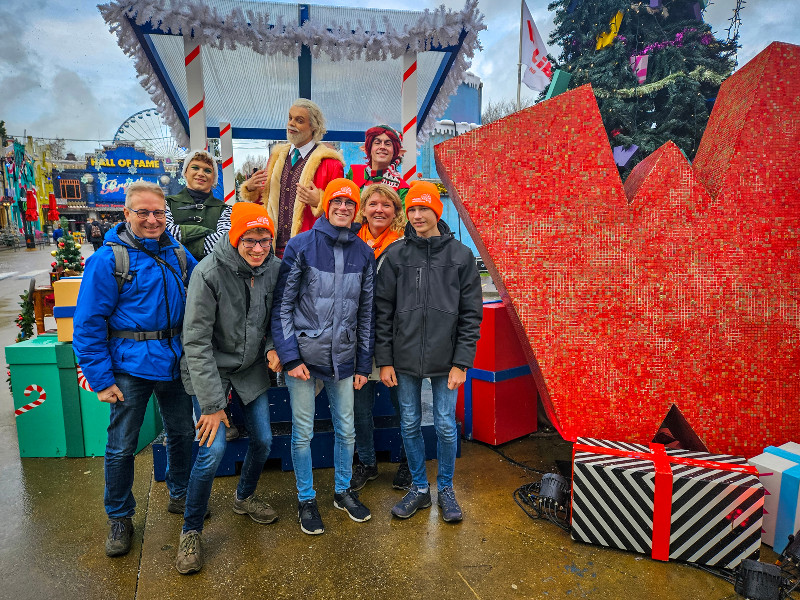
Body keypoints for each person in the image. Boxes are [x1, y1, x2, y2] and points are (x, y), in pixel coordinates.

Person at [72, 181, 198, 557]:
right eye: (142, 212)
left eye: (158, 212)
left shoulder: (177, 253)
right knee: (121, 446)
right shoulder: (108, 260)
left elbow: (205, 291)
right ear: (126, 214)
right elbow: (89, 323)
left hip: (175, 361)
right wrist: (101, 378)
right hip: (129, 366)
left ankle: (178, 493)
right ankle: (120, 516)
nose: (151, 219)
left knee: (181, 433)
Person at [175, 202, 282, 575]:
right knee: (212, 449)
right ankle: (191, 530)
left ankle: (244, 496)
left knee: (265, 440)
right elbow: (196, 341)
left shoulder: (273, 269)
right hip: (210, 369)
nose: (258, 248)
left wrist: (271, 349)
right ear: (235, 238)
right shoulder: (207, 273)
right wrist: (210, 404)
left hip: (250, 365)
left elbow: (275, 321)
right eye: (250, 240)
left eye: (264, 240)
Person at [272, 178, 375, 535]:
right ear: (326, 206)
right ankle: (306, 498)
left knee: (346, 431)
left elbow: (366, 313)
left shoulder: (364, 253)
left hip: (344, 359)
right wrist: (289, 357)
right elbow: (282, 306)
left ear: (355, 208)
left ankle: (343, 491)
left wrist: (363, 363)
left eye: (350, 203)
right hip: (303, 358)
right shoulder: (301, 246)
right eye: (337, 202)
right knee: (303, 434)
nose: (343, 208)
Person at [374, 181, 483, 523]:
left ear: (437, 210)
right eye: (413, 210)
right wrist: (385, 360)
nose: (418, 215)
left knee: (447, 426)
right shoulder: (395, 254)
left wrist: (462, 363)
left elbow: (471, 314)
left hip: (445, 360)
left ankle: (446, 489)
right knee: (409, 423)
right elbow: (383, 309)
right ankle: (420, 489)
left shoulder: (461, 256)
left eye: (424, 209)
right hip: (403, 360)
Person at [349, 183, 411, 491]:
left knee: (404, 404)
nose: (379, 210)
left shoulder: (404, 246)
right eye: (373, 204)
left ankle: (408, 463)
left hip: (394, 338)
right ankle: (368, 463)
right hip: (358, 340)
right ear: (363, 209)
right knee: (360, 407)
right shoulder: (349, 242)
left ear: (396, 212)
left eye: (387, 205)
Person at [240, 99, 344, 258]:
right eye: (290, 118)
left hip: (310, 252)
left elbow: (342, 212)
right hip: (272, 250)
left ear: (314, 127)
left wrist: (320, 202)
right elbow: (265, 203)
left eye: (299, 120)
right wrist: (252, 189)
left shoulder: (331, 164)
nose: (291, 123)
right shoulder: (275, 157)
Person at [165, 149, 232, 262]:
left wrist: (178, 245)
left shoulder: (226, 210)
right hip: (173, 273)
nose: (201, 173)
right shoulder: (166, 203)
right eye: (195, 168)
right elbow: (164, 234)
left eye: (207, 170)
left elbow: (223, 243)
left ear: (214, 178)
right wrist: (205, 231)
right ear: (185, 172)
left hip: (212, 275)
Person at [346, 125, 409, 204]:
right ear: (369, 148)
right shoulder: (354, 173)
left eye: (388, 144)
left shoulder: (402, 188)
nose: (382, 147)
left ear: (394, 152)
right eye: (377, 143)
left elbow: (402, 216)